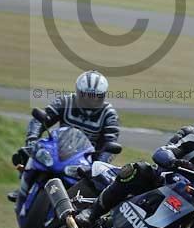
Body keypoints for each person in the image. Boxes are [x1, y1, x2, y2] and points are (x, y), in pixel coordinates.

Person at [78, 97, 194, 226]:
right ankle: (92, 213)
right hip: (162, 185)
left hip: (193, 201)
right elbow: (163, 152)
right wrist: (177, 162)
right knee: (138, 170)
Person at [7, 71, 120, 201]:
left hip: (86, 159)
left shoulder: (109, 114)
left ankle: (85, 210)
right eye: (86, 95)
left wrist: (97, 165)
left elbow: (111, 141)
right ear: (78, 92)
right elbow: (40, 119)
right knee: (28, 153)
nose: (90, 100)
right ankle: (25, 187)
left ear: (103, 96)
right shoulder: (65, 101)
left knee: (100, 185)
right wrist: (32, 140)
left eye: (96, 96)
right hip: (59, 148)